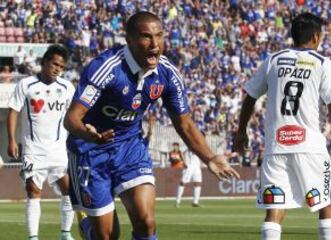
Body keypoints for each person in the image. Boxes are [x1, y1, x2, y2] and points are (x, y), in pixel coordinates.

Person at [64, 11, 239, 240]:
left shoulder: (167, 73)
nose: (155, 44)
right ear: (129, 40)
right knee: (106, 236)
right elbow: (71, 119)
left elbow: (184, 123)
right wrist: (86, 133)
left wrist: (210, 157)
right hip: (90, 151)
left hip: (130, 147)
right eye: (146, 37)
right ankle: (88, 226)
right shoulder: (106, 67)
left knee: (146, 222)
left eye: (159, 36)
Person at [233, 13, 331, 240]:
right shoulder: (322, 63)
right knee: (325, 205)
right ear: (316, 36)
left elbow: (250, 97)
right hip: (311, 147)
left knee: (274, 211)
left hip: (277, 147)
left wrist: (241, 131)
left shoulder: (273, 60)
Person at [7, 44, 75, 240]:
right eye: (54, 64)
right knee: (33, 191)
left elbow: (74, 115)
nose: (57, 69)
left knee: (68, 190)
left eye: (61, 67)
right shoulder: (26, 85)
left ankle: (65, 233)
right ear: (44, 62)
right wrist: (12, 140)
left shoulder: (67, 87)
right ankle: (33, 237)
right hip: (33, 150)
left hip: (59, 150)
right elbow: (13, 112)